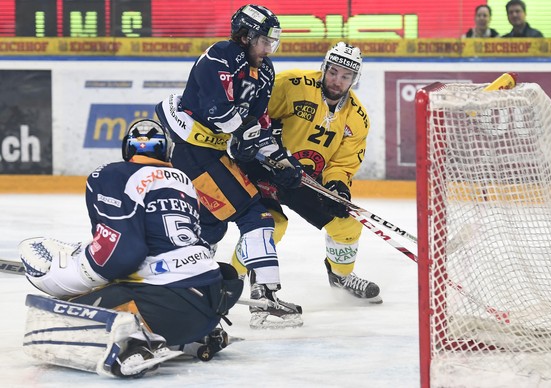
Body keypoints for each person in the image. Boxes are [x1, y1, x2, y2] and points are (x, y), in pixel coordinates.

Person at [18, 119, 243, 378]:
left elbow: (122, 255)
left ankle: (135, 342)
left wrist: (74, 274)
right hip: (210, 299)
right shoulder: (184, 181)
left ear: (128, 150)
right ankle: (199, 335)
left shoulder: (112, 174)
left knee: (53, 315)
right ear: (165, 150)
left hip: (165, 307)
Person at [155, 4, 303, 329]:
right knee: (255, 214)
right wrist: (246, 134)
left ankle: (186, 295)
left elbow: (258, 125)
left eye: (272, 42)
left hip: (210, 153)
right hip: (190, 152)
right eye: (263, 40)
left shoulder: (264, 71)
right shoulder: (221, 54)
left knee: (210, 227)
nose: (268, 48)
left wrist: (280, 158)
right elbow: (220, 112)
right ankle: (264, 303)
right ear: (245, 35)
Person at [233, 42, 382, 304]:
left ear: (354, 79)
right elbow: (254, 115)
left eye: (346, 76)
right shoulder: (292, 84)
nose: (337, 81)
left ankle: (341, 277)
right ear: (324, 68)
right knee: (272, 225)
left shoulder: (357, 118)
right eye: (334, 72)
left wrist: (338, 186)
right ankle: (233, 278)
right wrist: (270, 154)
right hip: (263, 169)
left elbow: (343, 163)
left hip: (304, 179)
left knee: (347, 225)